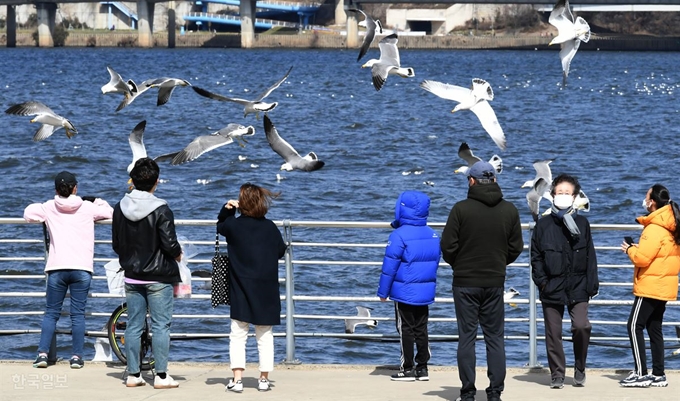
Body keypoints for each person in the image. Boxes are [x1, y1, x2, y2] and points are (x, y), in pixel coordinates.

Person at [440, 161, 523, 401]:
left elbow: (448, 246)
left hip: (465, 281)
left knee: (467, 337)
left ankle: (467, 393)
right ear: (495, 180)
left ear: (472, 181)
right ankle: (495, 392)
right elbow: (515, 247)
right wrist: (498, 263)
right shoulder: (509, 210)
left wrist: (460, 264)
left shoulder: (460, 209)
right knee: (495, 338)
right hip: (495, 280)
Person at [24, 171, 113, 369]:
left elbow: (28, 213)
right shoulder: (88, 207)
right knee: (78, 314)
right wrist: (96, 200)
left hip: (57, 267)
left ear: (56, 190)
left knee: (51, 313)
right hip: (81, 268)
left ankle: (42, 355)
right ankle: (76, 358)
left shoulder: (48, 207)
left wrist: (48, 205)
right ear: (75, 188)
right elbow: (110, 212)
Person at [112, 157, 182, 389]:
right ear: (156, 182)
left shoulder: (119, 207)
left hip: (132, 275)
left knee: (134, 325)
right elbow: (170, 245)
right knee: (161, 325)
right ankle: (161, 376)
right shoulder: (162, 209)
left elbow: (116, 244)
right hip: (158, 276)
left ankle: (133, 374)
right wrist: (179, 255)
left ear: (133, 180)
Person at [217, 183, 287, 393]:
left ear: (242, 204)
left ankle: (237, 380)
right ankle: (263, 379)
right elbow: (280, 251)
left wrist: (227, 209)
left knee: (238, 334)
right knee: (264, 335)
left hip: (240, 287)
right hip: (266, 289)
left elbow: (221, 226)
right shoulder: (270, 227)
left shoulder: (234, 226)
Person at [530, 174, 599, 389]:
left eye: (567, 193)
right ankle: (557, 374)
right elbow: (536, 256)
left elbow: (590, 256)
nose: (563, 196)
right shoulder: (543, 225)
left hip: (578, 285)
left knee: (580, 326)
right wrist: (542, 282)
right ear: (552, 196)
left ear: (575, 196)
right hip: (551, 285)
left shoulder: (582, 223)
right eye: (559, 193)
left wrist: (591, 284)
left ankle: (580, 367)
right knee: (553, 333)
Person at [619, 184, 680, 388]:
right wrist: (640, 249)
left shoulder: (654, 227)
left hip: (651, 285)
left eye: (646, 197)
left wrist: (629, 250)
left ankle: (641, 373)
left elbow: (643, 259)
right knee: (654, 328)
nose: (644, 200)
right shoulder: (670, 224)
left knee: (634, 325)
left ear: (652, 202)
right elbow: (659, 253)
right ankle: (658, 374)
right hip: (663, 284)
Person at [377, 190, 441, 382]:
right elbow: (435, 262)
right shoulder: (433, 234)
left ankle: (407, 368)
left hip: (404, 291)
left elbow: (389, 267)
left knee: (405, 328)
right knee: (421, 328)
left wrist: (383, 292)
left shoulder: (398, 235)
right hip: (424, 291)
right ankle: (423, 368)